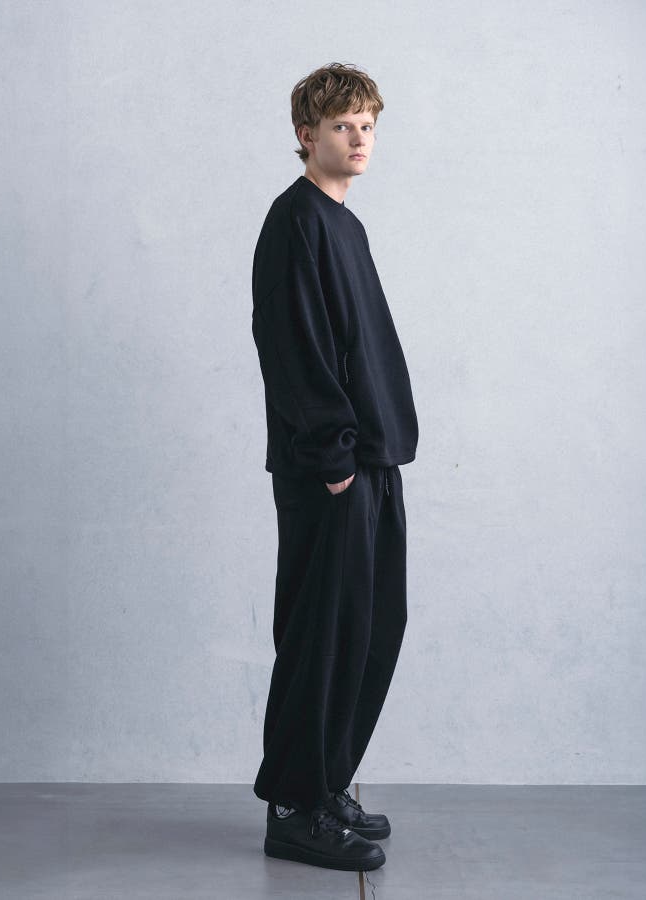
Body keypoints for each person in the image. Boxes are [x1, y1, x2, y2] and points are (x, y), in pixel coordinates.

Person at [250, 62, 419, 872]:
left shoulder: (345, 223)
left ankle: (325, 784)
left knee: (371, 629)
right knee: (321, 637)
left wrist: (368, 457)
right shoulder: (296, 222)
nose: (358, 139)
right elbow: (291, 345)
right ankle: (294, 808)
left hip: (370, 459)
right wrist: (332, 459)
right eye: (342, 126)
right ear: (305, 134)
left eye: (367, 126)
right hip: (332, 467)